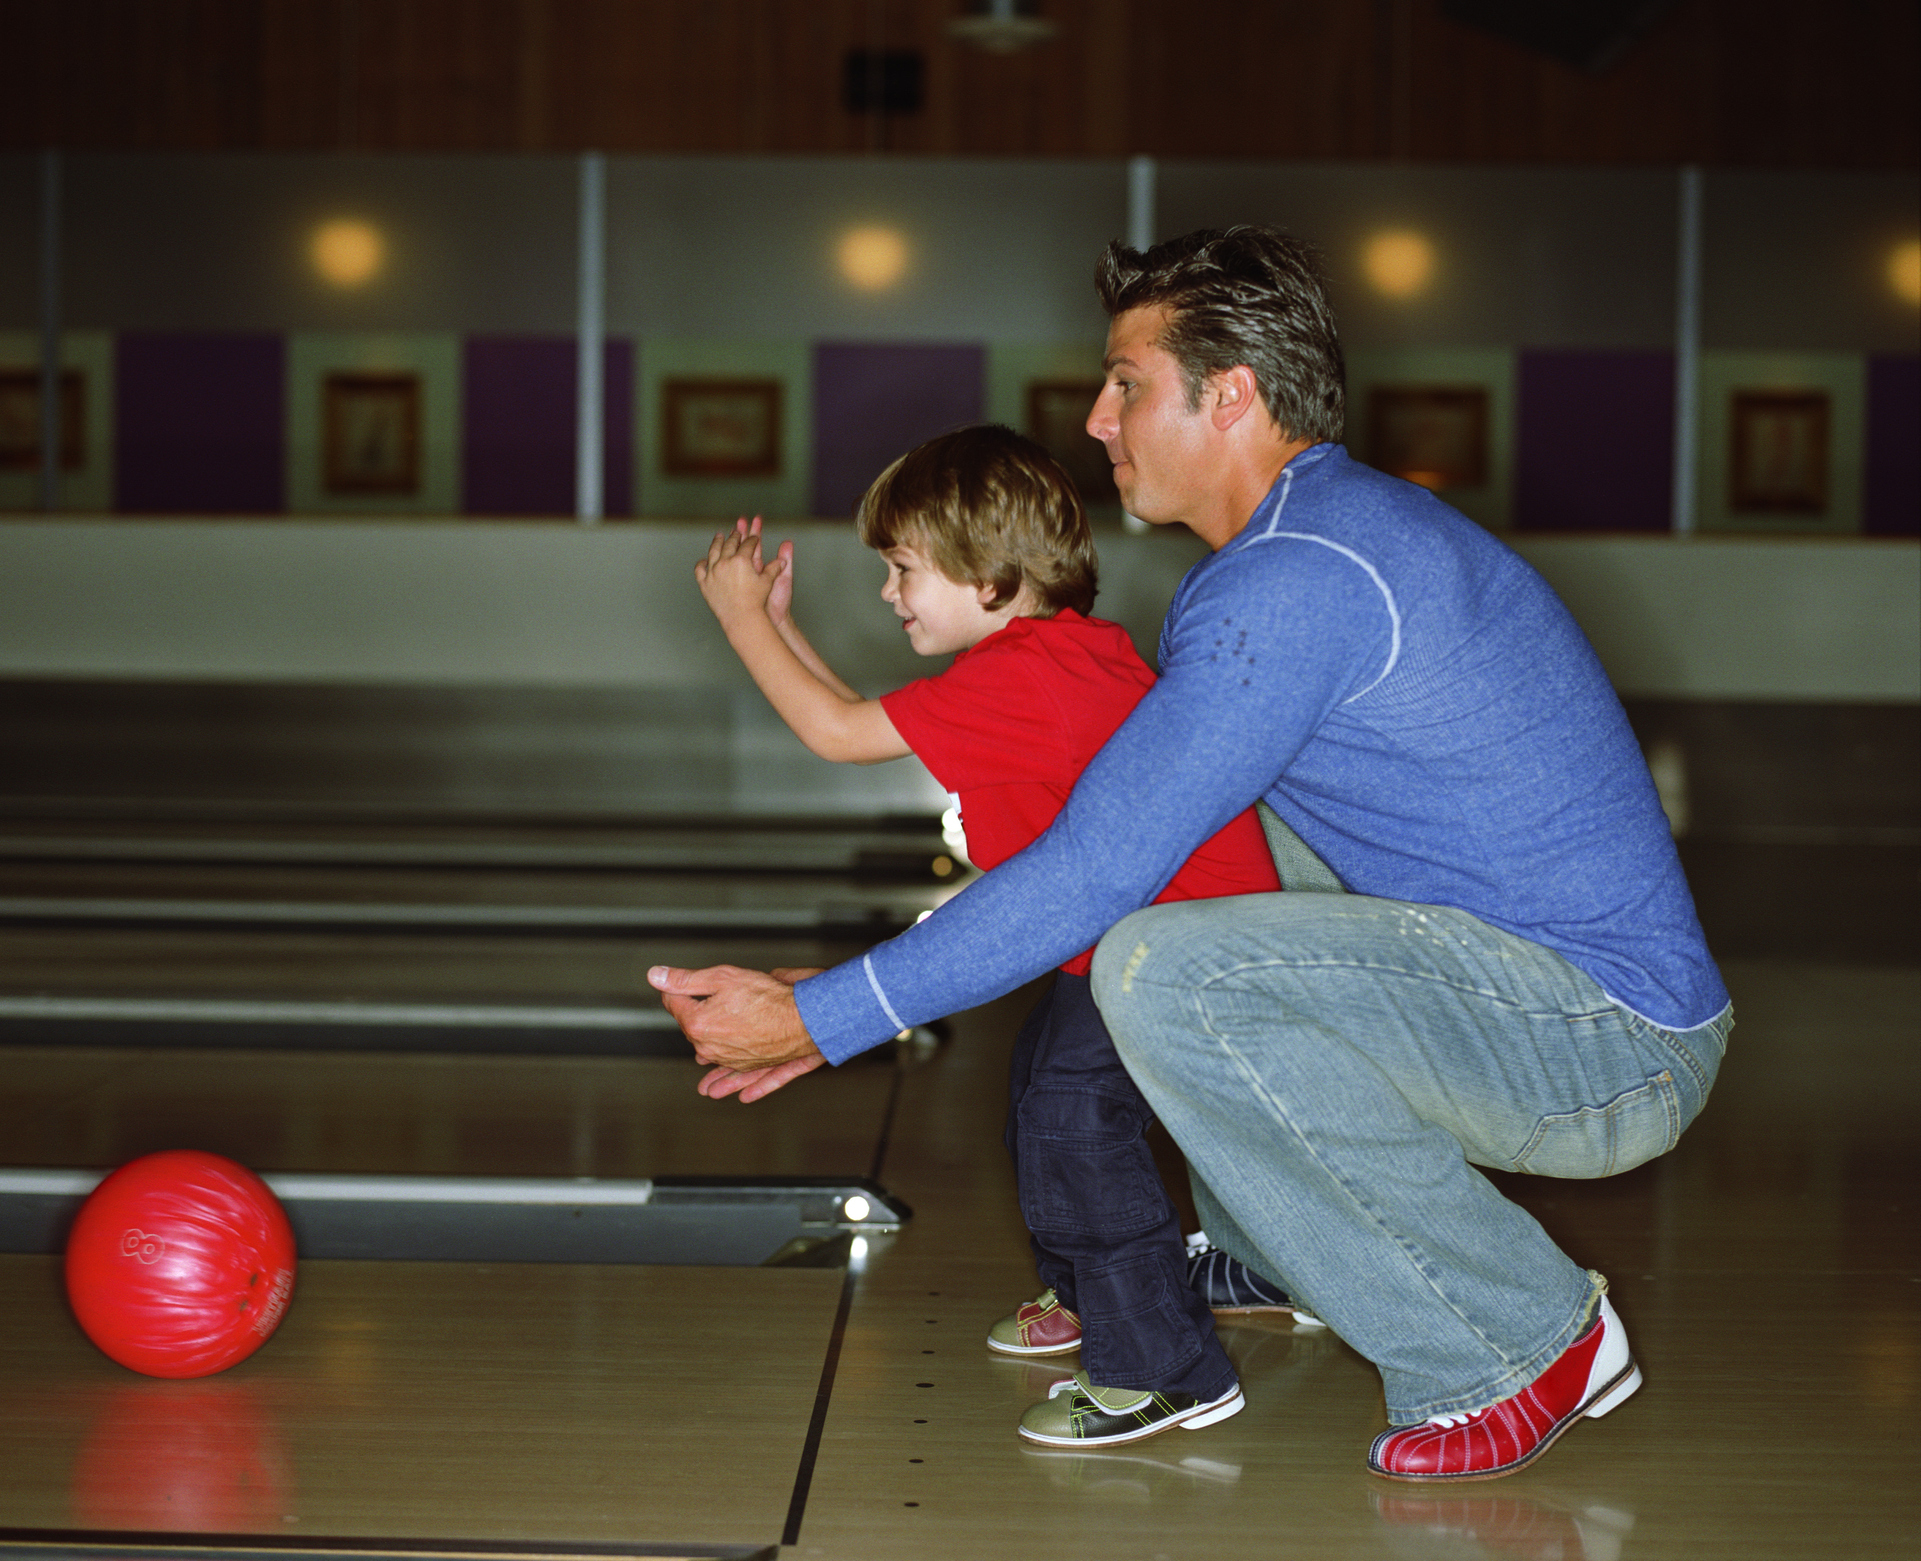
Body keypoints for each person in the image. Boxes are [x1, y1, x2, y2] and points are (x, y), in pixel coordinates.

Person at [652, 226, 1732, 1482]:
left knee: (1161, 957)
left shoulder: (1295, 577)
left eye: (1127, 384)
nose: (1097, 418)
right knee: (1214, 865)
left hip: (1602, 1040)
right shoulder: (1319, 542)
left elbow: (1098, 869)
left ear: (1231, 397)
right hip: (1545, 993)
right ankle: (1273, 1245)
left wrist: (823, 1016)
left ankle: (1518, 1338)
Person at [688, 423, 1304, 1447]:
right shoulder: (1050, 656)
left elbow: (838, 736)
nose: (890, 594)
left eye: (903, 570)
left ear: (988, 575)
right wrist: (781, 625)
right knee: (1038, 1113)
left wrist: (741, 621)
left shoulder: (1026, 675)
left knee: (1071, 1122)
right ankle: (1096, 1298)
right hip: (1122, 945)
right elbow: (849, 708)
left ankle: (1167, 1369)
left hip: (1176, 952)